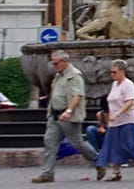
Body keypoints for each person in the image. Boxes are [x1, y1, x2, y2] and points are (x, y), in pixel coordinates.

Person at [33, 50, 99, 184]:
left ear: (64, 62)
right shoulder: (59, 75)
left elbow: (77, 95)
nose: (53, 65)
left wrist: (68, 111)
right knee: (50, 142)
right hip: (55, 114)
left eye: (56, 63)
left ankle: (98, 162)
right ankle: (47, 173)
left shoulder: (75, 75)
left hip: (68, 115)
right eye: (53, 63)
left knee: (77, 143)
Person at [95, 59, 134, 181]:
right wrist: (110, 116)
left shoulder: (128, 84)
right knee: (112, 145)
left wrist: (118, 113)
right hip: (114, 122)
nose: (112, 75)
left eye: (114, 72)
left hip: (127, 120)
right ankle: (116, 172)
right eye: (111, 72)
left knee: (129, 144)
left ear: (122, 71)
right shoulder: (114, 85)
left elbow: (130, 101)